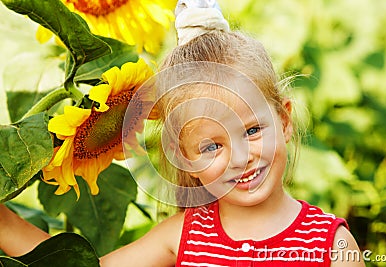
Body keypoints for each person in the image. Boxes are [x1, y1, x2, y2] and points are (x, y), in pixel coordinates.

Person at [0, 0, 365, 266]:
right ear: (183, 155)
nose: (240, 158)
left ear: (284, 122)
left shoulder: (330, 245)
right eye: (211, 146)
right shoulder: (186, 235)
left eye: (252, 130)